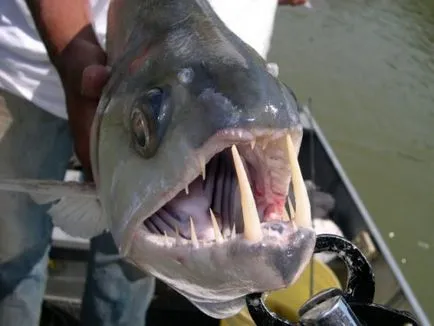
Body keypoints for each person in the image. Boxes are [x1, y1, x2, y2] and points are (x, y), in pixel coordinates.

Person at [0, 1, 155, 325]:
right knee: (13, 251)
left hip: (157, 82)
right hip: (23, 71)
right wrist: (75, 58)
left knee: (137, 257)